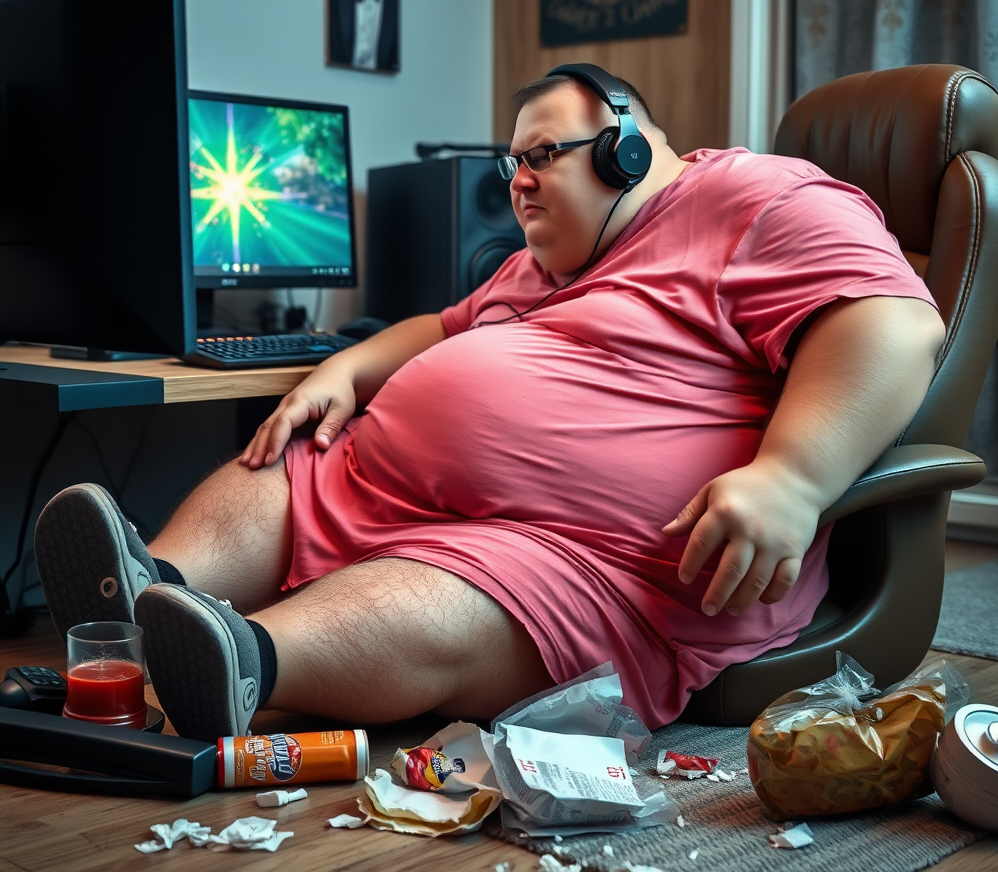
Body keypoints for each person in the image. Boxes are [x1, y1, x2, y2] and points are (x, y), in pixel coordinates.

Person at [33, 67, 946, 743]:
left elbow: (894, 326)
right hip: (398, 496)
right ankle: (146, 594)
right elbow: (441, 325)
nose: (516, 182)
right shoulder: (541, 268)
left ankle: (240, 661)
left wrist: (791, 477)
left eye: (542, 155)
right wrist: (347, 369)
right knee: (293, 457)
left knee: (464, 580)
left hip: (588, 564)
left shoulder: (755, 197)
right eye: (512, 163)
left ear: (628, 146)